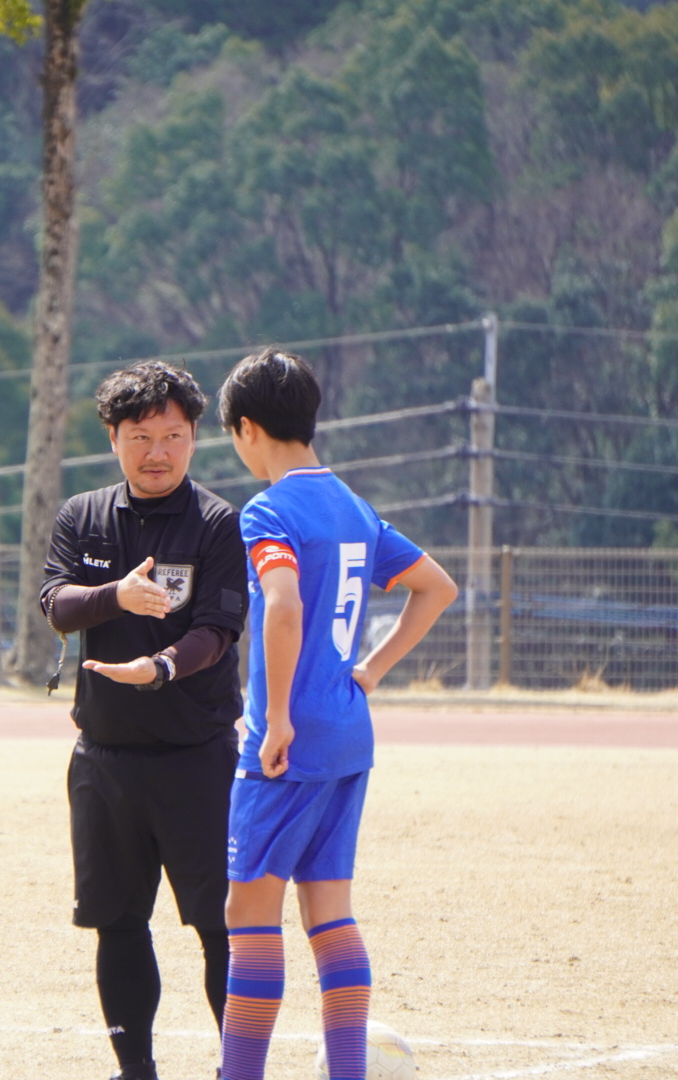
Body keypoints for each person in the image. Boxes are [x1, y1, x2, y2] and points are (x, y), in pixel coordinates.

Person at [213, 349, 458, 1080]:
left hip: (288, 743)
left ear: (247, 428)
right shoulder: (353, 506)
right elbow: (436, 586)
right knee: (330, 914)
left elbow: (283, 604)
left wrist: (277, 717)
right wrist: (371, 671)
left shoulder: (268, 510)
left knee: (249, 916)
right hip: (350, 735)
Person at [39, 361, 250, 1080]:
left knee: (221, 925)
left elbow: (217, 631)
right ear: (113, 438)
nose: (157, 452)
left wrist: (159, 668)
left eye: (173, 436)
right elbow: (56, 604)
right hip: (105, 759)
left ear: (194, 438)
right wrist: (116, 597)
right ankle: (135, 1070)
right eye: (140, 436)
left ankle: (238, 1067)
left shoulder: (218, 523)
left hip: (199, 759)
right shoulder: (82, 516)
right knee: (118, 922)